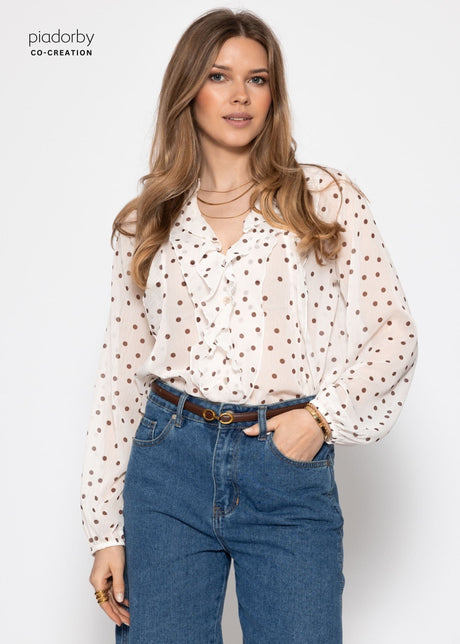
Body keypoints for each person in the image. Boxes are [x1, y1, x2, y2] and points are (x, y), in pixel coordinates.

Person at [80, 8, 417, 644]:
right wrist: (105, 531)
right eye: (219, 76)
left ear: (273, 94)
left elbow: (393, 332)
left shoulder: (321, 197)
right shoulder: (147, 221)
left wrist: (319, 419)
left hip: (284, 467)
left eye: (257, 79)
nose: (240, 95)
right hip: (167, 466)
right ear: (188, 90)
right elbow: (120, 375)